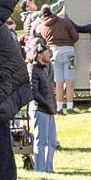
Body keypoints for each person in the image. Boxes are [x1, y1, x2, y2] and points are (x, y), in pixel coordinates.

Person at [36, 6, 79, 115]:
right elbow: (76, 37)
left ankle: (59, 107)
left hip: (54, 54)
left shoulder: (43, 26)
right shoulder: (64, 21)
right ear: (51, 12)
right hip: (69, 53)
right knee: (69, 81)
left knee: (58, 82)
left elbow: (44, 40)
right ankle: (69, 107)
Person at [26, 40, 57, 173]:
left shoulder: (43, 69)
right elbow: (33, 92)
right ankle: (40, 169)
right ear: (39, 54)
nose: (49, 54)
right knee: (41, 141)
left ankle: (49, 168)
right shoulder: (33, 69)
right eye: (46, 52)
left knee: (51, 142)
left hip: (48, 109)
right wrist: (46, 103)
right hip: (40, 109)